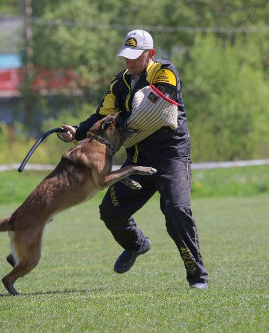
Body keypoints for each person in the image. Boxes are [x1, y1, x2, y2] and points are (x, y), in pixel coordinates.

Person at [58, 29, 208, 289]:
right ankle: (137, 244)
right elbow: (101, 117)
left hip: (171, 156)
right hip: (138, 158)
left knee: (176, 211)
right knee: (110, 212)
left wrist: (118, 122)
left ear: (150, 54)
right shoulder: (119, 83)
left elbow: (154, 109)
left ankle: (197, 277)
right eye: (126, 56)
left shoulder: (165, 72)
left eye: (135, 56)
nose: (129, 61)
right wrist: (76, 131)